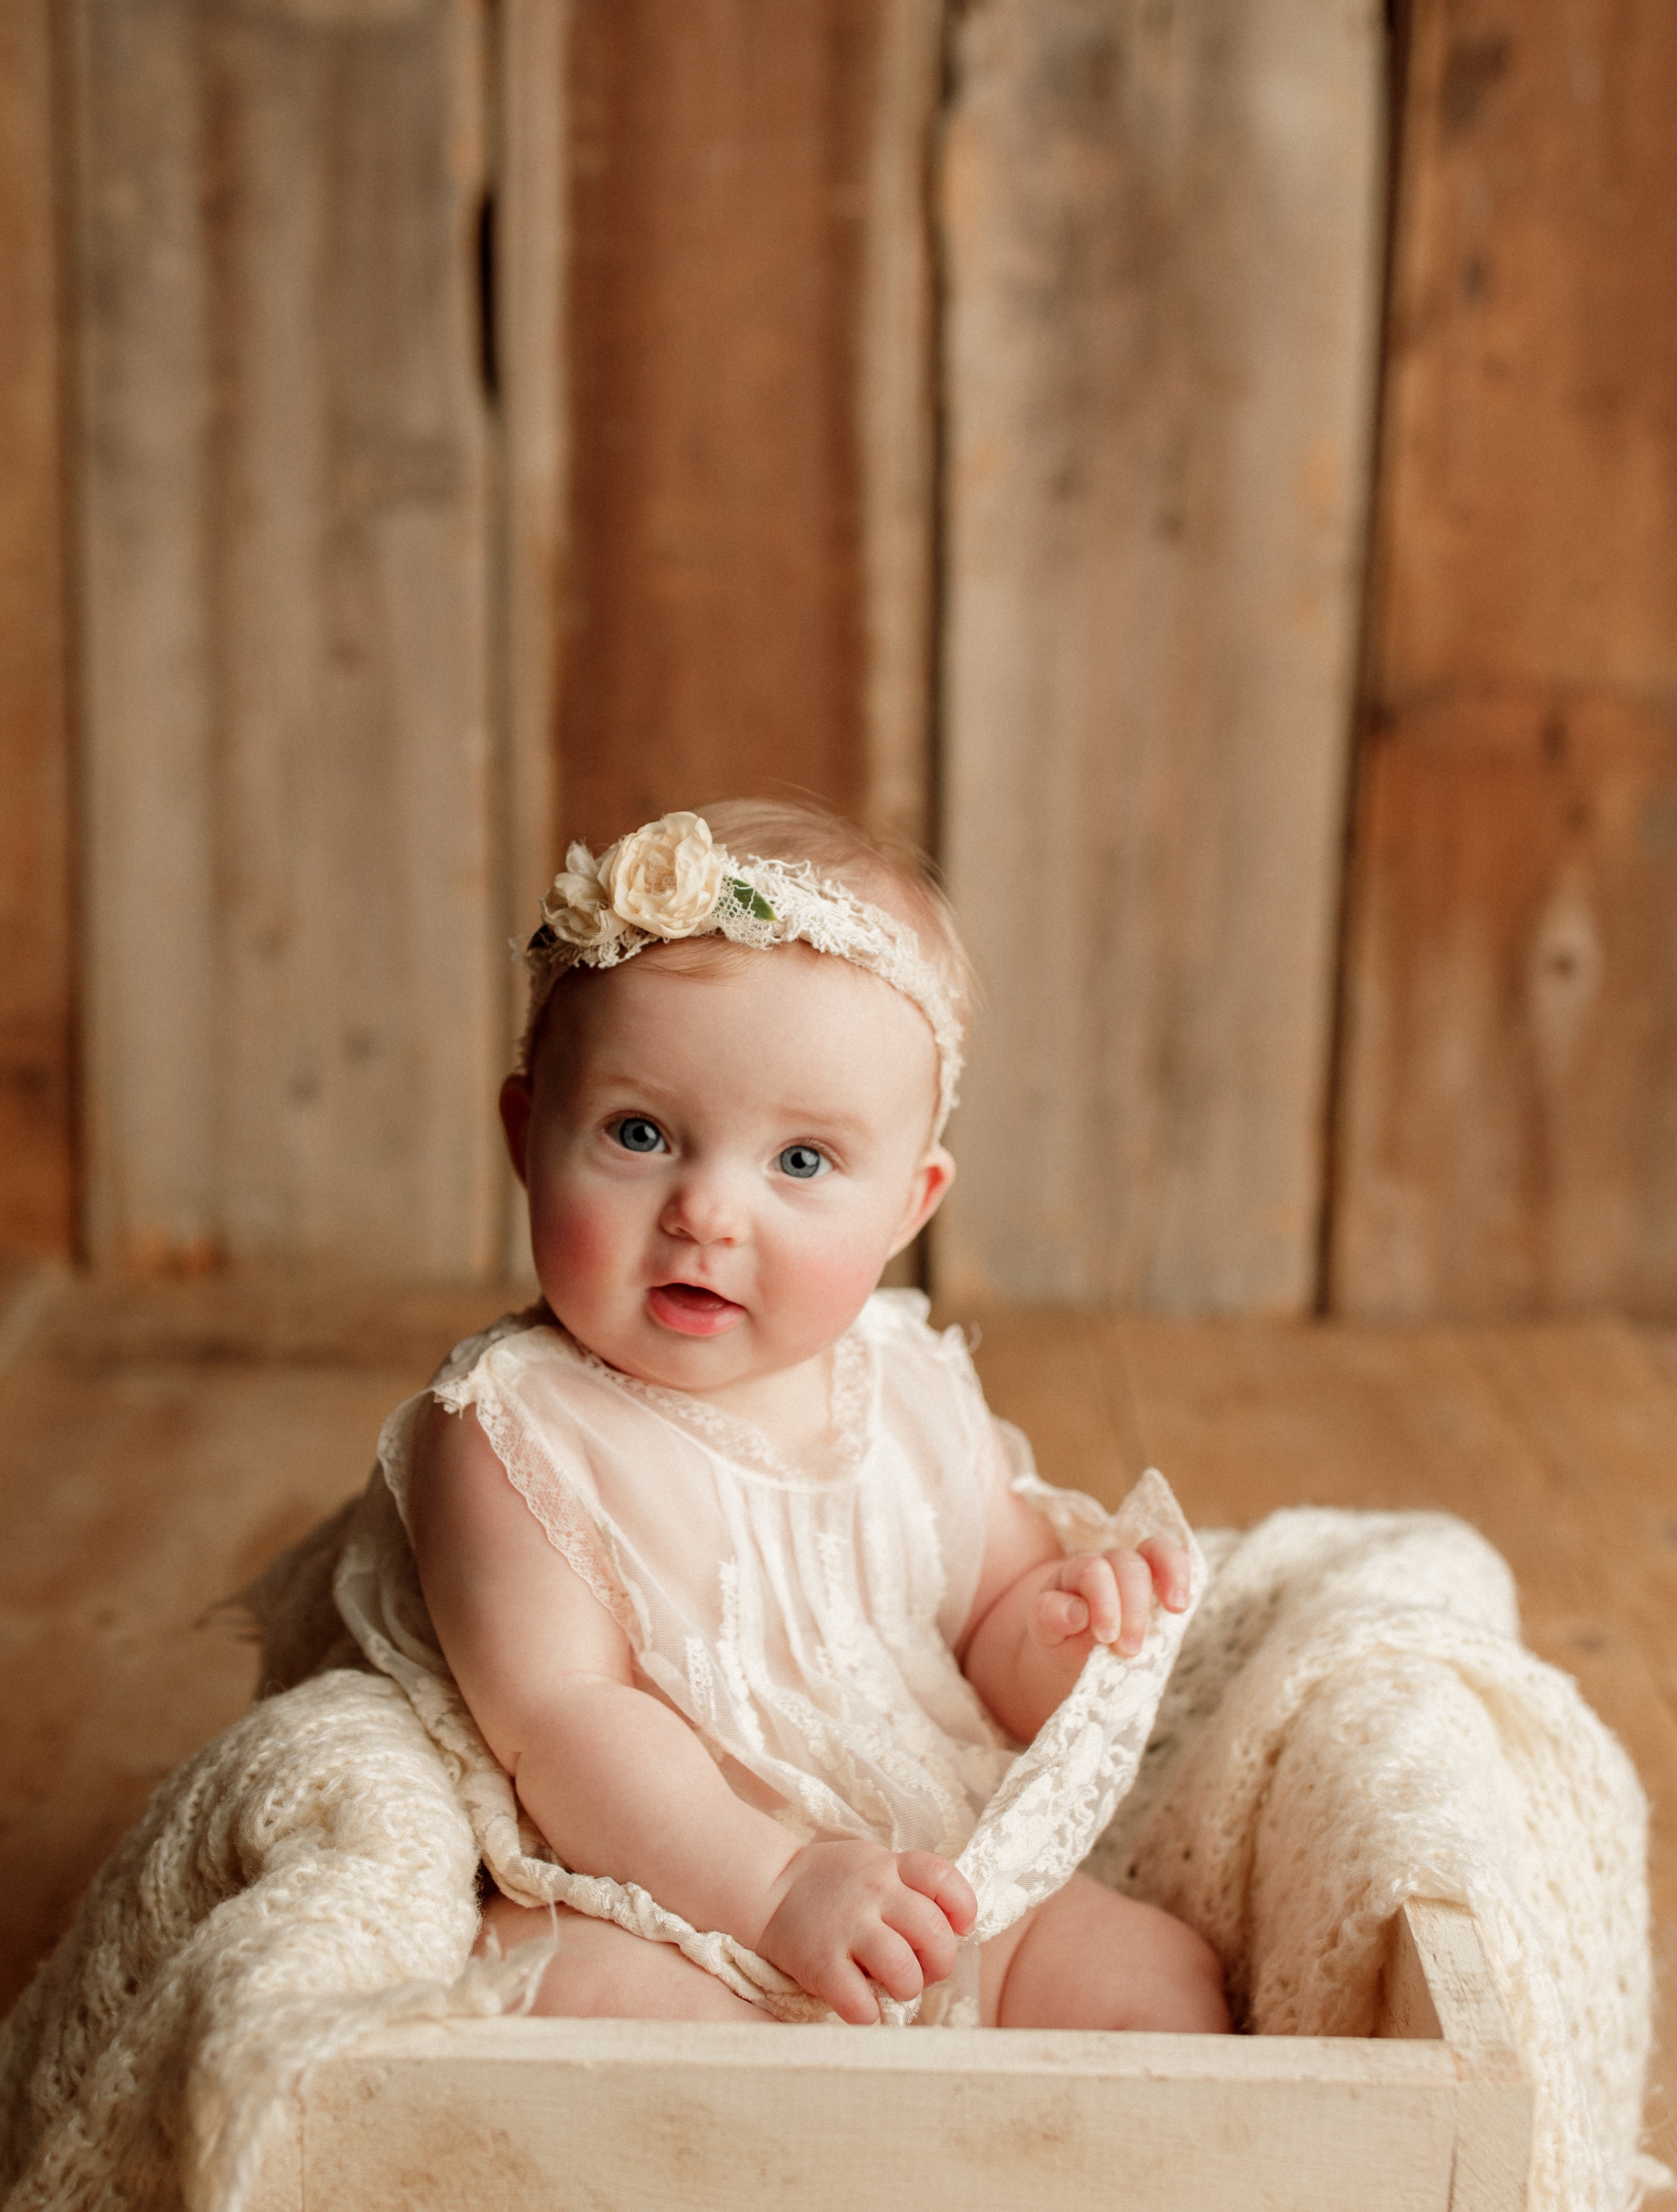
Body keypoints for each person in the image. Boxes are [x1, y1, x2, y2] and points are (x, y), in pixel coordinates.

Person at [399, 799, 1230, 2032]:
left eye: (800, 1162)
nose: (708, 1215)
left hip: (937, 1882)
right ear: (531, 1136)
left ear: (908, 1203)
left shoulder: (905, 1382)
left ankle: (1072, 2202)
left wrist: (1062, 1630)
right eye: (640, 1134)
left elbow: (990, 1607)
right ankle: (800, 2189)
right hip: (667, 1898)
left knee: (1155, 1974)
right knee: (562, 1992)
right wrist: (773, 1884)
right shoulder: (510, 1429)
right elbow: (565, 1725)